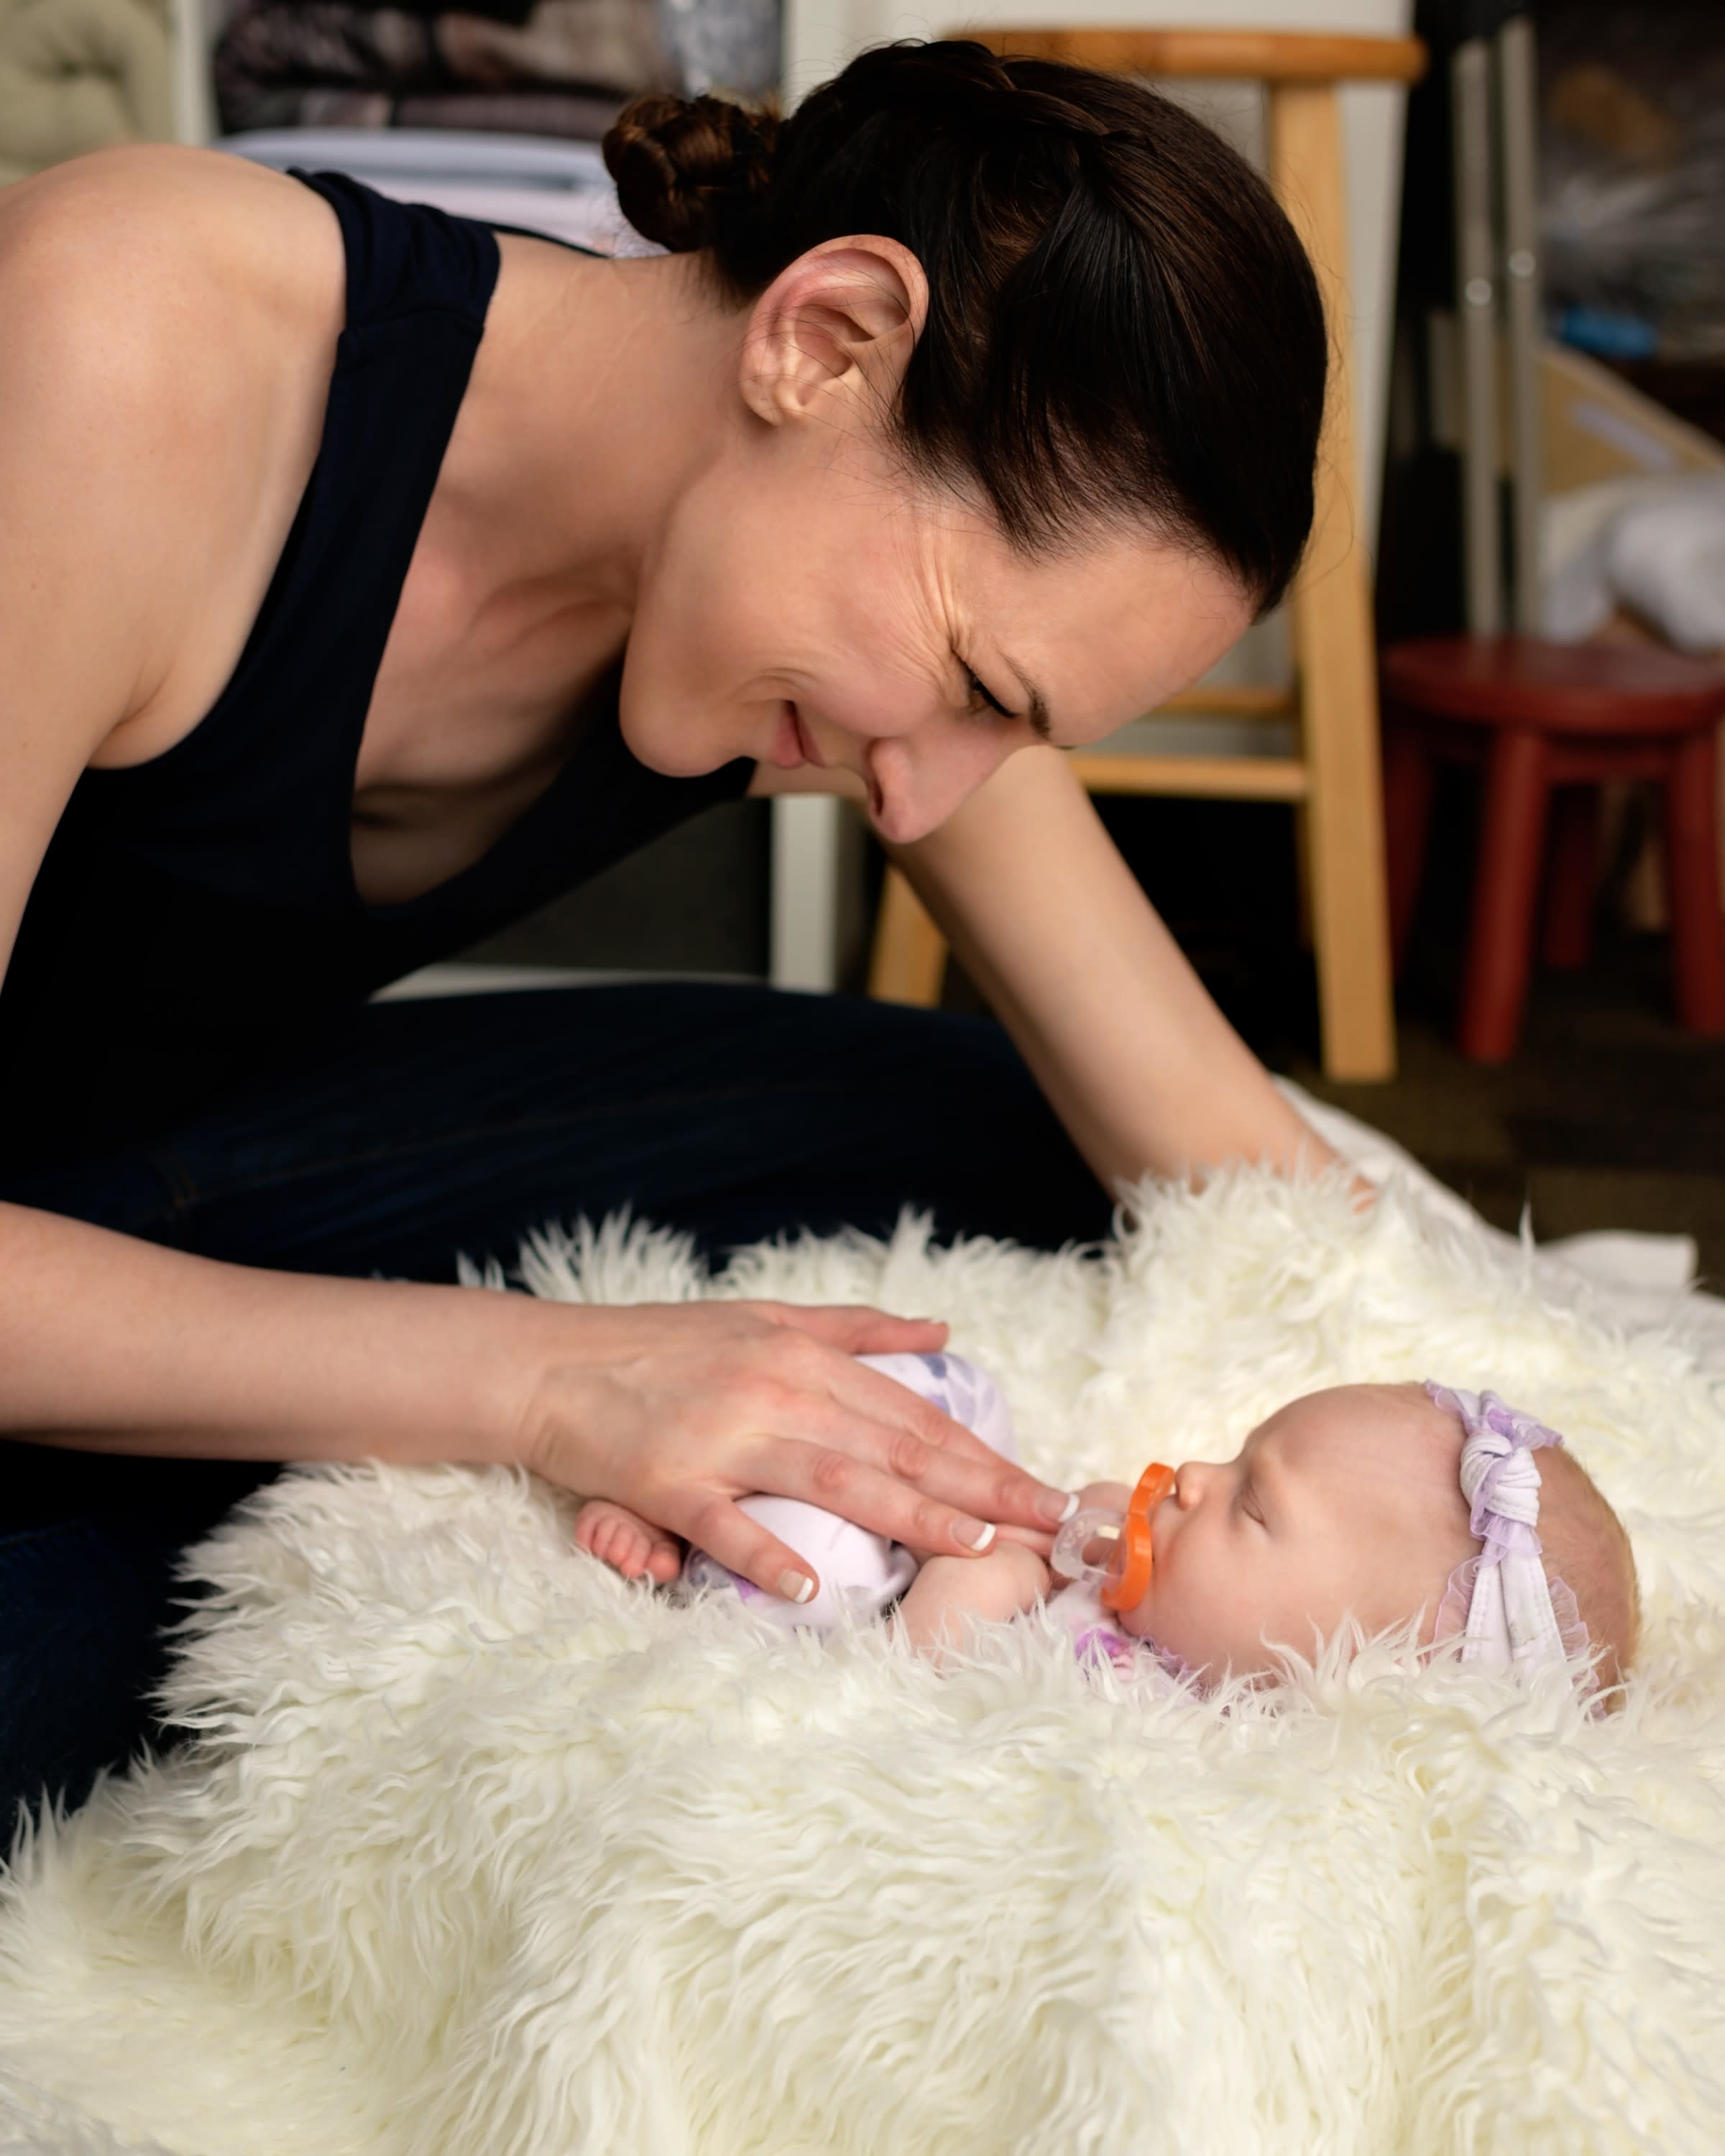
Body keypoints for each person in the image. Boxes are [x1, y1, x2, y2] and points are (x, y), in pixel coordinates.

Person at [0, 37, 1336, 1818]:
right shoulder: (129, 346)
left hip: (125, 1160)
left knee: (1007, 1140)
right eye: (973, 681)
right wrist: (559, 1388)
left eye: (1015, 734)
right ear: (825, 340)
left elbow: (1237, 1170)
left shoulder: (815, 577)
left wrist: (1515, 1511)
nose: (922, 802)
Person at [577, 1358, 1640, 1697]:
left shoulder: (1148, 1712)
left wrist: (989, 1582)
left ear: (1353, 1673)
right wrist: (1074, 1523)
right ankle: (686, 1463)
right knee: (950, 1397)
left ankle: (683, 1541)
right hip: (924, 1546)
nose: (1194, 1476)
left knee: (809, 1590)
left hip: (885, 1614)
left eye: (1250, 1504)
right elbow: (1075, 1516)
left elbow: (914, 1684)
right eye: (1236, 1457)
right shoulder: (1181, 1606)